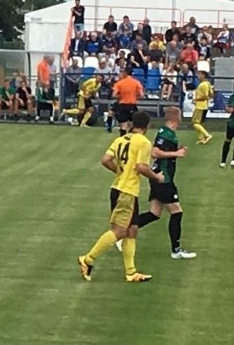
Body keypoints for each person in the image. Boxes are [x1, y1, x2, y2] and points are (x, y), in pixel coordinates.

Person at [78, 111, 162, 283]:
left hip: (118, 188)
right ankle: (87, 259)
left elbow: (105, 159)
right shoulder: (143, 142)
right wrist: (156, 177)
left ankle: (131, 272)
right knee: (120, 231)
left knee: (132, 230)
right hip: (127, 191)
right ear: (147, 126)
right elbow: (141, 167)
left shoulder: (121, 139)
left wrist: (118, 171)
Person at [119, 107, 196, 259]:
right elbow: (155, 152)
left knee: (154, 213)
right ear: (176, 118)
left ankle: (122, 234)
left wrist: (176, 151)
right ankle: (176, 250)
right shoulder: (165, 133)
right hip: (163, 178)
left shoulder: (169, 133)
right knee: (177, 212)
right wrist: (176, 154)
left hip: (159, 177)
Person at [110, 67, 144, 136]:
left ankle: (122, 137)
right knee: (133, 123)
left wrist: (121, 96)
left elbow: (114, 95)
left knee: (123, 123)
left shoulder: (120, 83)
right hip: (132, 105)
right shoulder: (136, 82)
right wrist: (135, 97)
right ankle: (130, 136)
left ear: (125, 73)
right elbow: (142, 95)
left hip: (122, 105)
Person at [192, 70, 214, 145]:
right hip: (203, 105)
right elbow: (211, 94)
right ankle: (201, 138)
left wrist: (196, 99)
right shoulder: (207, 83)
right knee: (197, 122)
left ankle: (207, 135)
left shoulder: (203, 85)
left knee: (195, 123)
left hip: (200, 106)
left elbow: (205, 96)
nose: (198, 76)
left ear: (203, 75)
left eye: (199, 74)